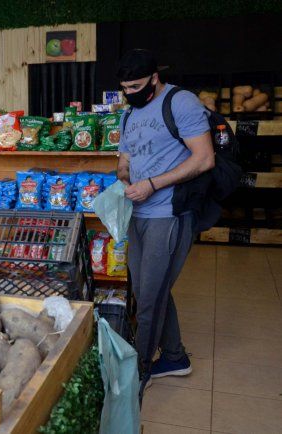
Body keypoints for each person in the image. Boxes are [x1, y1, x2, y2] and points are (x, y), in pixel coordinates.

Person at [116, 49, 215, 395]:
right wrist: (125, 177)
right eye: (125, 88)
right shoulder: (128, 114)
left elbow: (204, 159)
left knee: (150, 297)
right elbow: (125, 159)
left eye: (137, 86)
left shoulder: (181, 102)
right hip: (137, 214)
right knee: (148, 290)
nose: (131, 94)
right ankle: (173, 356)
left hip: (168, 213)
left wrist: (153, 184)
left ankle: (139, 370)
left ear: (155, 78)